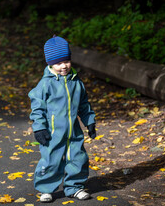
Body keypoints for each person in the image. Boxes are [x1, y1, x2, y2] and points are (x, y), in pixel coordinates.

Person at [28, 35, 97, 203]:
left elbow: (83, 105)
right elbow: (37, 109)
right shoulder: (45, 84)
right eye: (58, 63)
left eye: (66, 61)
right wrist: (39, 128)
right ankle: (46, 189)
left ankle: (74, 187)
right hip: (52, 133)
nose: (63, 66)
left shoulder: (76, 82)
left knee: (78, 159)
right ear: (50, 63)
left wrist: (90, 121)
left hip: (73, 132)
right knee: (51, 161)